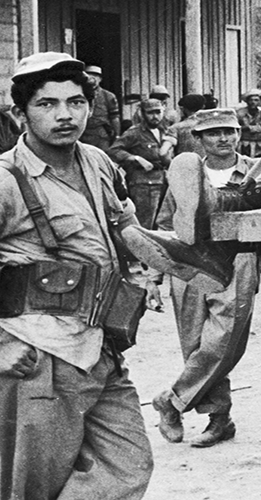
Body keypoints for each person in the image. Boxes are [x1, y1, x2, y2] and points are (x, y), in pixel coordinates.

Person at [0, 51, 152, 499]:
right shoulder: (6, 179)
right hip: (38, 356)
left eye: (76, 102)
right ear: (19, 113)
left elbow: (128, 232)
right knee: (30, 486)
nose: (65, 115)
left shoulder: (98, 162)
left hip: (99, 347)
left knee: (128, 466)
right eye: (47, 104)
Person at [146, 109, 260, 449]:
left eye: (230, 131)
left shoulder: (257, 170)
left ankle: (173, 400)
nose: (224, 138)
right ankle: (219, 419)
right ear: (199, 139)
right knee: (195, 343)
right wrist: (153, 277)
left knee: (222, 342)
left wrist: (257, 268)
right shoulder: (184, 173)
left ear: (239, 134)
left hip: (238, 258)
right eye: (214, 133)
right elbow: (165, 224)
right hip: (188, 262)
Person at [108, 98, 175, 230]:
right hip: (144, 183)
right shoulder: (135, 133)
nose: (155, 116)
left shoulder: (167, 130)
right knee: (145, 223)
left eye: (158, 112)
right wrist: (135, 158)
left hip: (165, 181)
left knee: (164, 223)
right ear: (143, 114)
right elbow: (113, 150)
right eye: (150, 113)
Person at [81, 64, 121, 151]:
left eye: (96, 76)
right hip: (83, 133)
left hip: (101, 134)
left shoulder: (108, 96)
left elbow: (115, 117)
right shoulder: (80, 94)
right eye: (89, 75)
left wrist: (117, 136)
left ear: (100, 79)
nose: (92, 78)